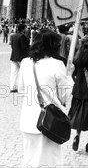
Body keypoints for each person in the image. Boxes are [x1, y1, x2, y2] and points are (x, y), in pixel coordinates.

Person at [18, 28, 71, 166]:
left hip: (28, 119)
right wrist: (70, 76)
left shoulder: (25, 63)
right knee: (49, 162)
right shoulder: (57, 64)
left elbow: (21, 89)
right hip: (50, 121)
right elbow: (64, 96)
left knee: (30, 160)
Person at [9, 23, 29, 93]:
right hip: (21, 57)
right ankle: (22, 88)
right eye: (25, 28)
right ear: (23, 29)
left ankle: (12, 87)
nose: (26, 29)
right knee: (24, 72)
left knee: (13, 73)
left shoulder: (13, 36)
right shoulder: (22, 37)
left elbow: (12, 46)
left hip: (14, 56)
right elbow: (24, 48)